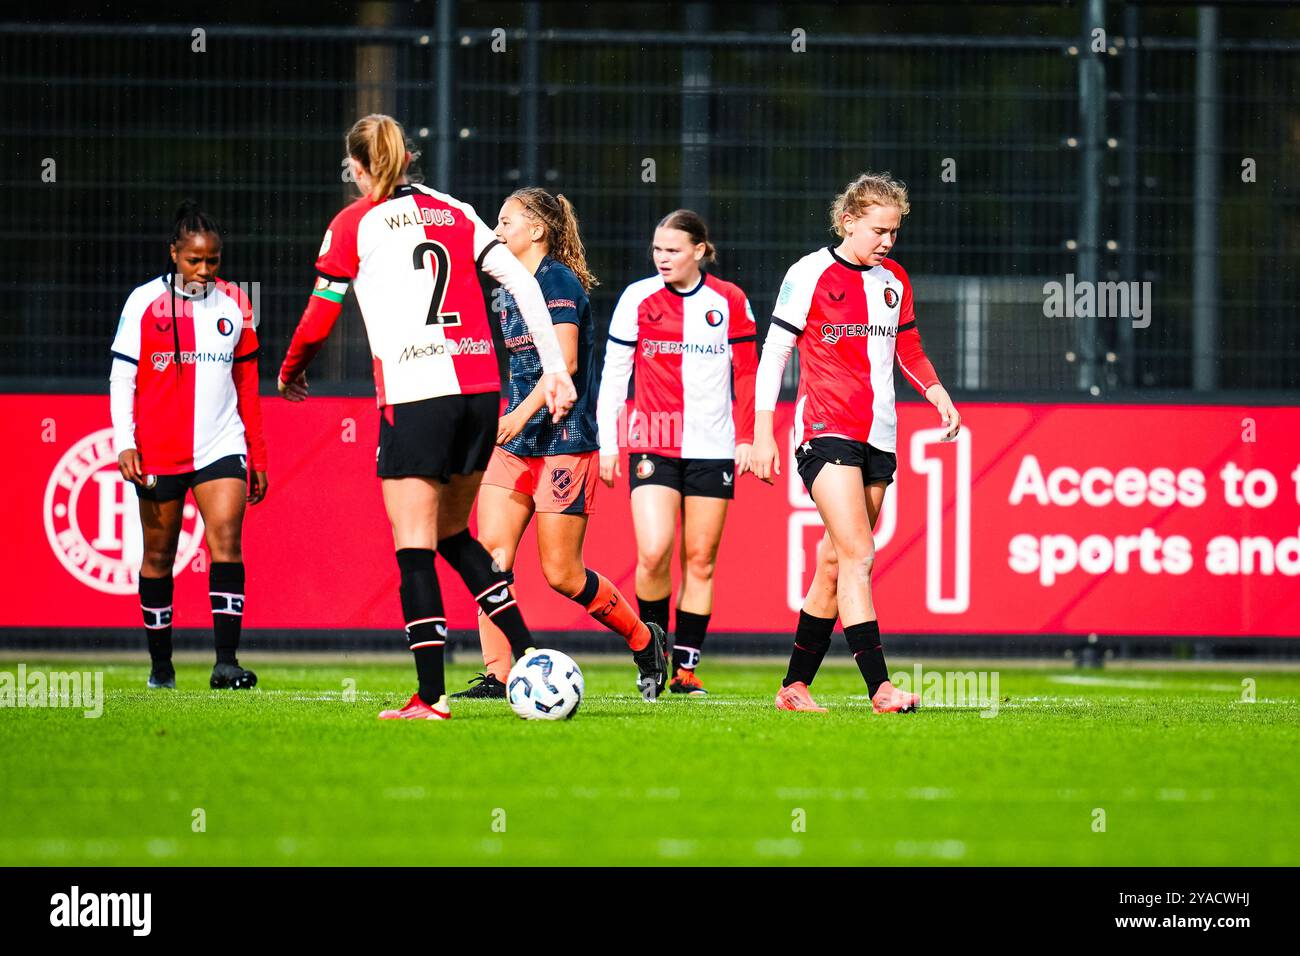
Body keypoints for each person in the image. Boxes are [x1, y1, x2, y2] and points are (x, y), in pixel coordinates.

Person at [276, 114, 578, 721]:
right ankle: (527, 652)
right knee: (453, 536)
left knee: (414, 547)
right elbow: (522, 283)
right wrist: (556, 370)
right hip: (477, 393)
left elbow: (319, 313)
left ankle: (430, 697)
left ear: (358, 167)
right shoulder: (454, 210)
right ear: (409, 158)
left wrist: (291, 369)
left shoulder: (353, 224)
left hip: (416, 395)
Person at [751, 172, 961, 714]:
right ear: (848, 222)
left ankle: (794, 687)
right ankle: (881, 687)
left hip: (879, 438)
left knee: (832, 563)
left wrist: (938, 394)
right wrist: (760, 432)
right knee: (859, 553)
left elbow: (908, 349)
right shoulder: (810, 273)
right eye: (879, 230)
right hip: (825, 432)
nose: (888, 241)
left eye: (894, 231)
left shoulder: (894, 280)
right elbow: (775, 352)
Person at [452, 188, 669, 701]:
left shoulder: (557, 280)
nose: (496, 231)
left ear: (536, 230)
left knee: (562, 574)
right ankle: (499, 674)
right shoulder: (508, 286)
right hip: (515, 445)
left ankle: (645, 641)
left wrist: (517, 415)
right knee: (491, 558)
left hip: (564, 440)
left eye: (505, 222)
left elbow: (565, 364)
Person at [596, 210, 758, 696]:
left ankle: (685, 670)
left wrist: (747, 437)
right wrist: (608, 441)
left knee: (701, 559)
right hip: (651, 440)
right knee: (652, 551)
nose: (662, 258)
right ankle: (649, 652)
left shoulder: (729, 300)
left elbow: (747, 374)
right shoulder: (637, 299)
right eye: (657, 249)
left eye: (673, 249)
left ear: (700, 251)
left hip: (712, 446)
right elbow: (613, 373)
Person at [110, 199, 268, 691]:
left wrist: (257, 456)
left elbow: (248, 385)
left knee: (227, 544)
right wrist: (125, 442)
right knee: (159, 557)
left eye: (213, 260)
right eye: (194, 259)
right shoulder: (141, 302)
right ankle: (162, 667)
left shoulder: (236, 304)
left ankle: (226, 663)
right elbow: (122, 378)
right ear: (173, 253)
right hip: (159, 450)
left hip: (221, 444)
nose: (204, 269)